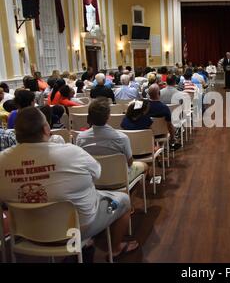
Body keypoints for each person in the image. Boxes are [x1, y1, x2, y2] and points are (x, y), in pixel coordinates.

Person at [0, 107, 139, 259]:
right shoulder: (71, 152)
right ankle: (117, 247)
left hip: (26, 233)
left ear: (15, 133)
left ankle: (87, 243)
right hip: (76, 229)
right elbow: (96, 174)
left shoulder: (2, 160)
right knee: (124, 200)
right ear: (46, 129)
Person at [76, 98, 149, 188]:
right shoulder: (121, 138)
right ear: (108, 116)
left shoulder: (80, 138)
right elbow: (130, 163)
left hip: (94, 181)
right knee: (145, 166)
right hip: (119, 181)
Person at [147, 84, 180, 149]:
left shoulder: (144, 107)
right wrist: (172, 138)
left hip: (147, 134)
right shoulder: (164, 108)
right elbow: (170, 126)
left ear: (149, 94)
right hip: (161, 134)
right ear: (159, 93)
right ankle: (160, 147)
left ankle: (157, 148)